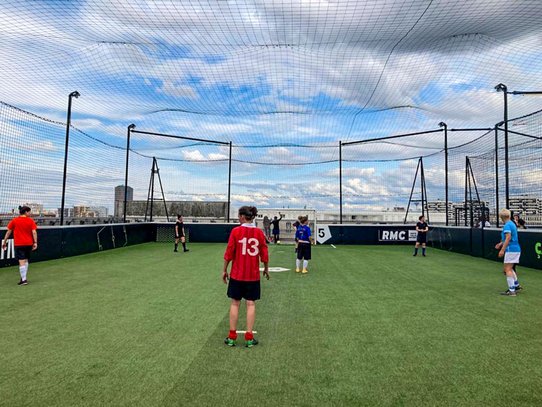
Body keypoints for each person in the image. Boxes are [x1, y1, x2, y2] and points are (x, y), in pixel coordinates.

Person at [223, 206, 269, 348]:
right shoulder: (259, 233)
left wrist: (224, 270)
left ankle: (232, 337)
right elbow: (264, 254)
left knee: (235, 303)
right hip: (252, 276)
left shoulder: (236, 231)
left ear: (243, 216)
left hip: (237, 274)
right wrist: (266, 269)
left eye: (238, 216)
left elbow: (229, 252)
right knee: (251, 304)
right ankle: (249, 337)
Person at [2, 205, 38, 285]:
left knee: (21, 261)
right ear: (26, 212)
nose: (30, 213)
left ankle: (24, 280)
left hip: (19, 244)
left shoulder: (14, 220)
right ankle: (23, 278)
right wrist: (35, 242)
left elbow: (8, 232)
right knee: (25, 260)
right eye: (29, 212)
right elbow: (34, 232)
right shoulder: (30, 221)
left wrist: (4, 242)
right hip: (29, 243)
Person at [495, 209, 522, 296]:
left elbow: (508, 238)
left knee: (507, 270)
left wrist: (502, 250)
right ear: (509, 216)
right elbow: (509, 238)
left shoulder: (507, 225)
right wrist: (500, 243)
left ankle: (512, 290)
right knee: (510, 268)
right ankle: (516, 285)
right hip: (516, 249)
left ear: (501, 217)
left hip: (511, 250)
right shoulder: (512, 224)